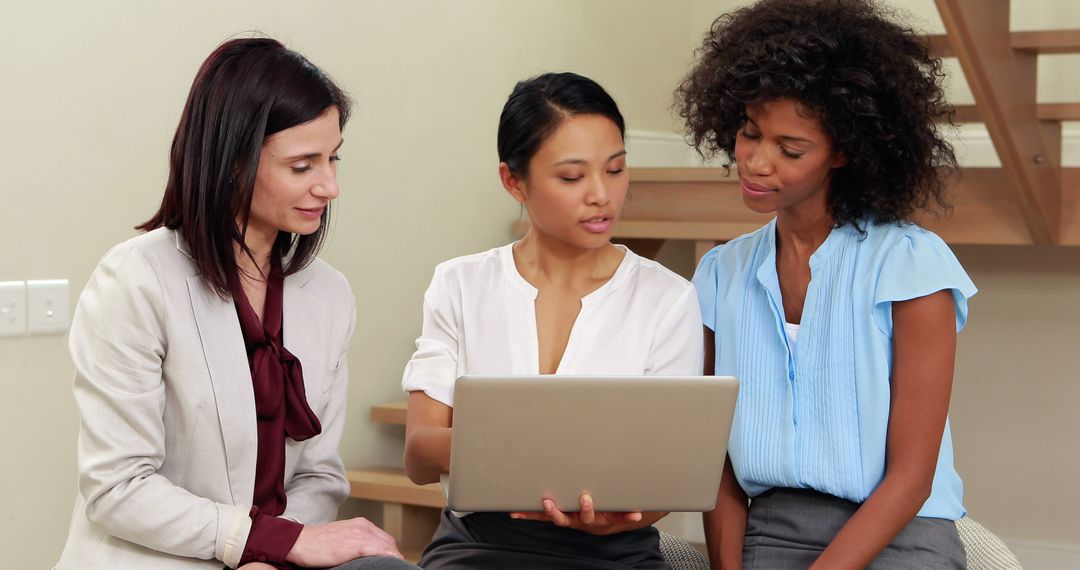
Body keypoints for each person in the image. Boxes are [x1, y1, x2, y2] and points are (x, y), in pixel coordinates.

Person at [56, 37, 415, 570]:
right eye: (303, 166)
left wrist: (275, 554)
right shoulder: (135, 280)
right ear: (232, 162)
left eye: (333, 158)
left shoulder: (329, 295)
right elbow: (118, 488)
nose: (331, 186)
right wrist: (262, 543)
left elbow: (319, 476)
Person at [675, 0, 976, 568]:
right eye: (748, 134)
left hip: (898, 532)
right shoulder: (720, 274)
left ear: (844, 151)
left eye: (790, 150)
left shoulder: (912, 266)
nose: (757, 162)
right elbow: (710, 453)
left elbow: (911, 478)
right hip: (771, 526)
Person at [401, 72, 704, 569]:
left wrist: (609, 517)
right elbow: (418, 454)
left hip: (614, 552)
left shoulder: (668, 298)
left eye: (616, 169)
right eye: (572, 176)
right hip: (480, 546)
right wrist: (541, 453)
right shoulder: (461, 284)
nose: (601, 195)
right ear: (513, 180)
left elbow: (661, 486)